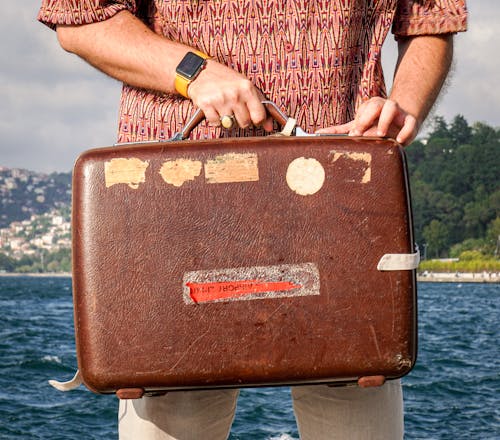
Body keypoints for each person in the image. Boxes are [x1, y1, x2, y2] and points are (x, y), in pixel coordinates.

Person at [38, 1, 467, 439]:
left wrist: (402, 104)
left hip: (343, 194)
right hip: (173, 206)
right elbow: (79, 20)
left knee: (358, 395)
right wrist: (194, 72)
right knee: (173, 401)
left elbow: (431, 19)